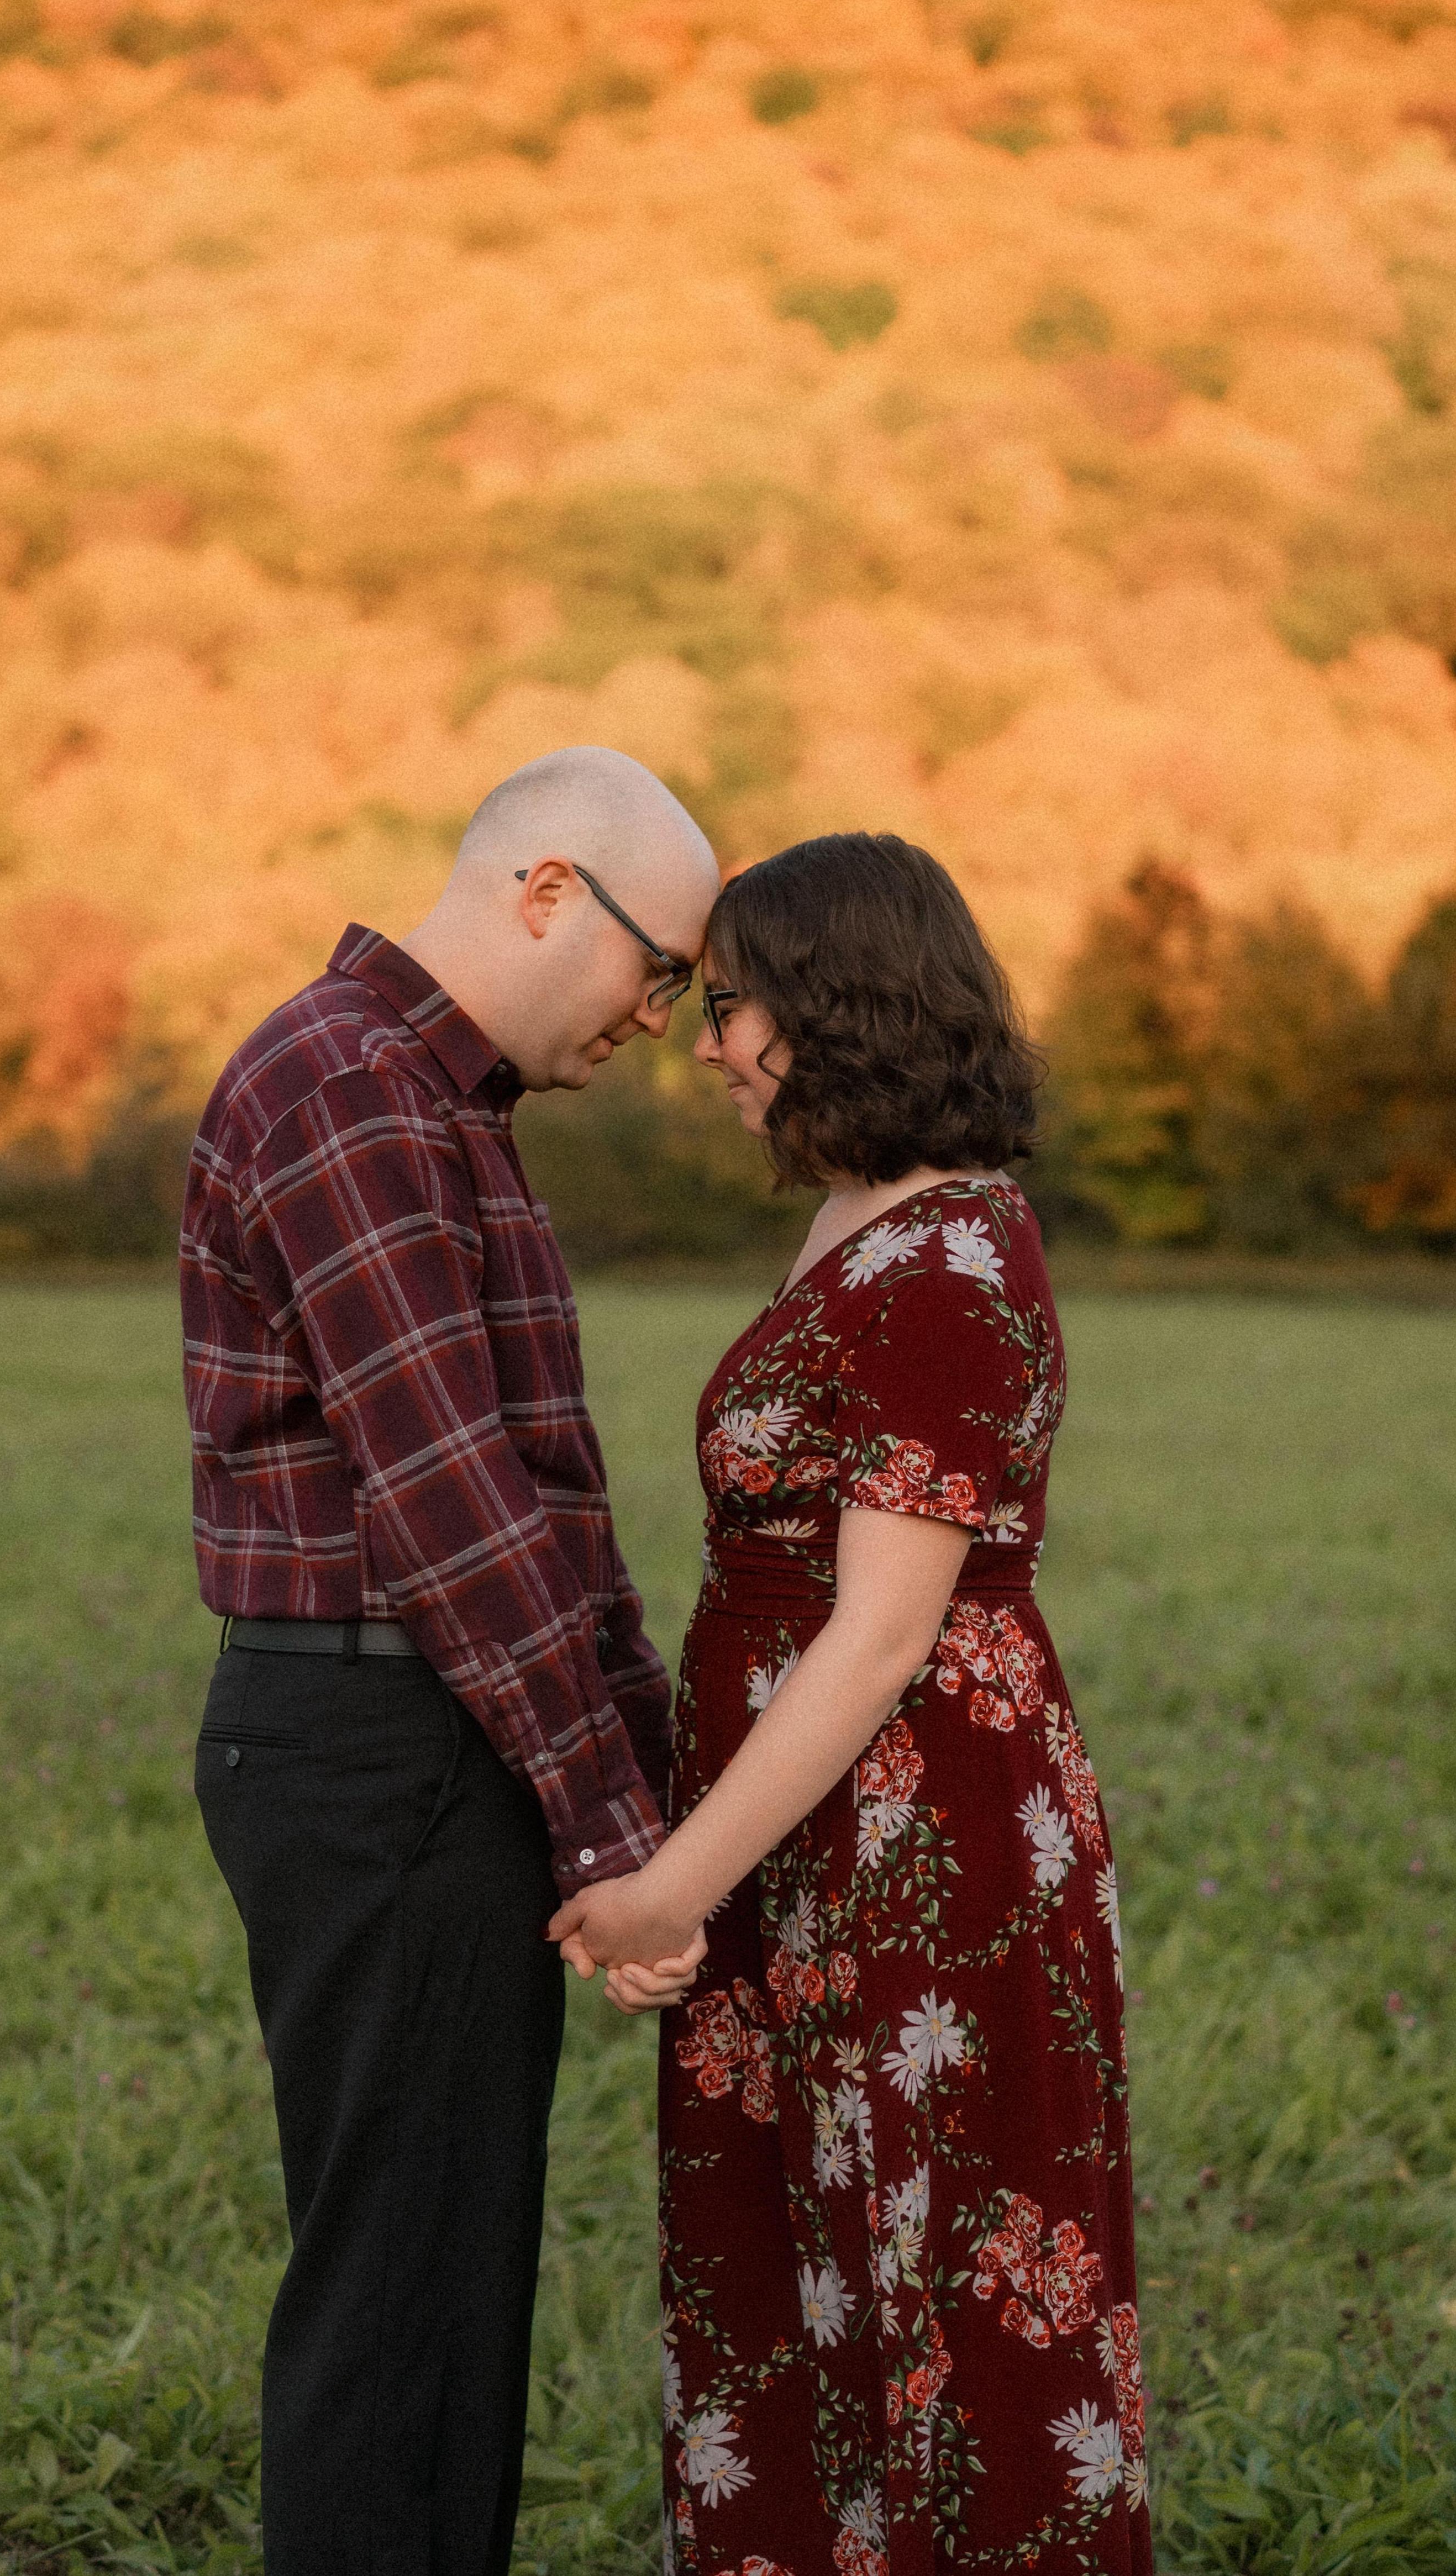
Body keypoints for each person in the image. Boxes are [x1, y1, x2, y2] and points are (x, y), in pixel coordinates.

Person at [550, 833, 1151, 2575]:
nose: (707, 1040)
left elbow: (883, 1635)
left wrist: (675, 1882)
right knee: (803, 2259)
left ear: (833, 1001)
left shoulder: (954, 1260)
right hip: (811, 1831)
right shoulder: (858, 1216)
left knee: (940, 2277)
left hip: (911, 1843)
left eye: (729, 1001)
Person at [181, 745, 722, 2576]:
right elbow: (450, 1507)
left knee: (449, 2273)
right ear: (546, 891)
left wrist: (642, 1790)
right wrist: (606, 1840)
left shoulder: (438, 1107)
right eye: (661, 966)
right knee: (400, 2299)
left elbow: (552, 1509)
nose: (665, 1016)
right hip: (374, 1733)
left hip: (424, 1728)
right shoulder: (348, 1091)